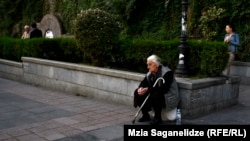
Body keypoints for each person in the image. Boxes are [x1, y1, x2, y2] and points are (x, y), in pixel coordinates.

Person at [133, 54, 180, 125]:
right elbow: (143, 83)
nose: (147, 67)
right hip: (155, 94)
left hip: (169, 97)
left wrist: (148, 89)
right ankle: (145, 115)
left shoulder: (167, 73)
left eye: (150, 64)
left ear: (156, 64)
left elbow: (164, 89)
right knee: (137, 92)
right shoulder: (150, 73)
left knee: (157, 94)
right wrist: (141, 89)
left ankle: (158, 118)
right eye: (147, 65)